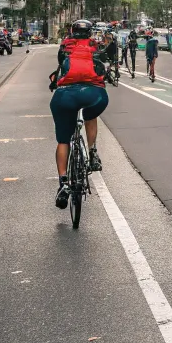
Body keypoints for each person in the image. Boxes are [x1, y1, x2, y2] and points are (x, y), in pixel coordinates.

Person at [49, 19, 109, 208]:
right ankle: (92, 153)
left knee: (63, 140)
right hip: (94, 95)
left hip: (65, 95)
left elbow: (62, 67)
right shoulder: (96, 46)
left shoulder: (65, 47)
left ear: (72, 33)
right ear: (90, 33)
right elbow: (102, 67)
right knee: (91, 115)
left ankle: (63, 183)